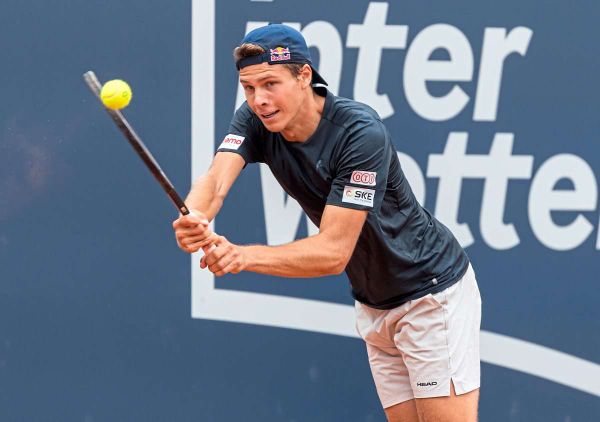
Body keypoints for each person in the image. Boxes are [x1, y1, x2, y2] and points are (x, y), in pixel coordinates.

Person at [173, 23, 482, 422]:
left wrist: (241, 257)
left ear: (304, 76)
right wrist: (195, 215)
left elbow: (334, 252)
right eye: (249, 88)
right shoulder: (253, 120)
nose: (259, 99)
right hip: (374, 303)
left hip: (430, 294)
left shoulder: (359, 134)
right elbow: (215, 180)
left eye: (270, 84)